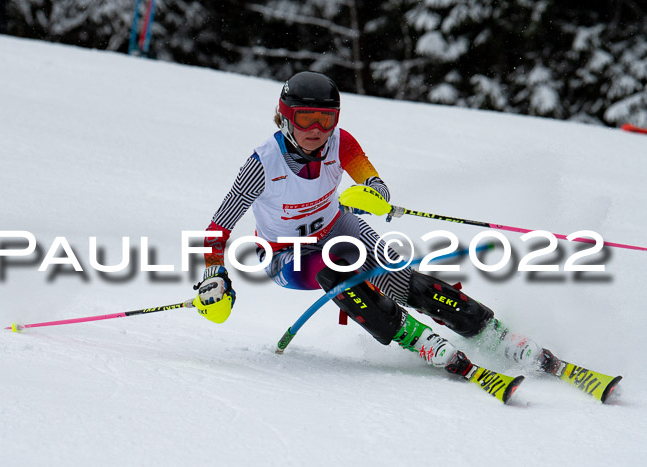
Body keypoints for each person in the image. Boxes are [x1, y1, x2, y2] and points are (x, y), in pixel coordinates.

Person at [193, 71, 561, 378]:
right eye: (306, 117)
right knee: (336, 266)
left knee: (401, 278)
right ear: (286, 116)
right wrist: (214, 274)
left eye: (328, 119)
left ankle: (490, 333)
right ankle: (416, 338)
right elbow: (219, 225)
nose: (317, 129)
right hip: (286, 255)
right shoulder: (264, 163)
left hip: (339, 227)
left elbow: (374, 183)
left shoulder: (341, 142)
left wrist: (372, 195)